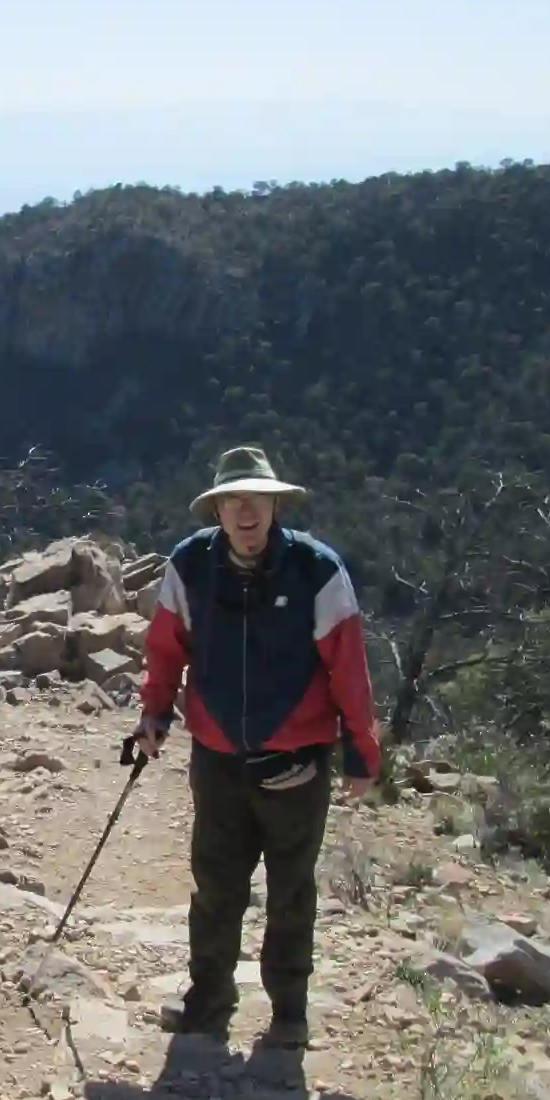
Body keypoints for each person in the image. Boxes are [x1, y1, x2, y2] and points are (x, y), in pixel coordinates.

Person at [131, 445, 381, 1049]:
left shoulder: (317, 571)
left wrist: (361, 749)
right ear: (217, 509)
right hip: (216, 755)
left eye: (256, 500)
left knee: (291, 887)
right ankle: (209, 1001)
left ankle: (289, 1013)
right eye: (232, 501)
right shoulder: (190, 565)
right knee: (216, 882)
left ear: (275, 504)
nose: (245, 512)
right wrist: (154, 713)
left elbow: (348, 665)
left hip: (297, 761)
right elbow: (167, 647)